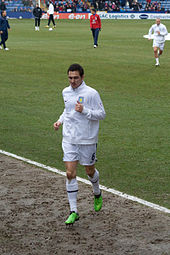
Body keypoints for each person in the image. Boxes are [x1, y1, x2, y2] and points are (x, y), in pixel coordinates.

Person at [53, 64, 106, 225]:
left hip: (87, 139)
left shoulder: (91, 93)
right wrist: (59, 121)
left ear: (82, 77)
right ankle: (73, 210)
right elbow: (67, 110)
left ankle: (97, 192)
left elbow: (102, 114)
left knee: (89, 171)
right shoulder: (65, 92)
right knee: (70, 173)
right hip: (69, 138)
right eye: (70, 78)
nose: (72, 81)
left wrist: (84, 111)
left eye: (76, 78)